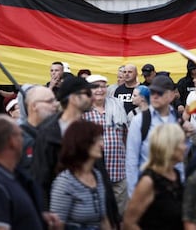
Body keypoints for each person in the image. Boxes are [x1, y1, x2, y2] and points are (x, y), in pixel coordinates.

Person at [31, 76, 121, 228]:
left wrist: (113, 218)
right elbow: (41, 178)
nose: (92, 97)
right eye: (87, 93)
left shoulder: (89, 130)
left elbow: (101, 176)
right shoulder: (49, 132)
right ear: (73, 98)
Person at [126, 75, 193, 196]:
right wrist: (133, 194)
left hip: (173, 190)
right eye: (152, 92)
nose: (155, 96)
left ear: (172, 95)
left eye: (160, 93)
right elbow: (131, 159)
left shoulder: (177, 119)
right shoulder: (140, 120)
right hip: (148, 190)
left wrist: (187, 138)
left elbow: (181, 157)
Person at [123, 124, 186, 230]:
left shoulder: (176, 174)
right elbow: (129, 223)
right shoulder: (148, 181)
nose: (185, 147)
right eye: (181, 143)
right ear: (170, 147)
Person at [50, 120, 111, 230]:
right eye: (97, 140)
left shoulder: (97, 176)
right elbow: (57, 226)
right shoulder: (65, 182)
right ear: (83, 143)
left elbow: (103, 219)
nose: (102, 144)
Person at [83, 74, 128, 216]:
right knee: (100, 215)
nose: (100, 90)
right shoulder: (83, 110)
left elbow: (126, 135)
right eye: (95, 87)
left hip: (118, 170)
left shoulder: (117, 105)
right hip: (93, 173)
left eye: (103, 86)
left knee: (119, 214)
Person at [18, 85, 59, 174]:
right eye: (50, 101)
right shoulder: (17, 139)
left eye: (55, 100)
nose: (56, 105)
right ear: (34, 106)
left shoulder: (57, 134)